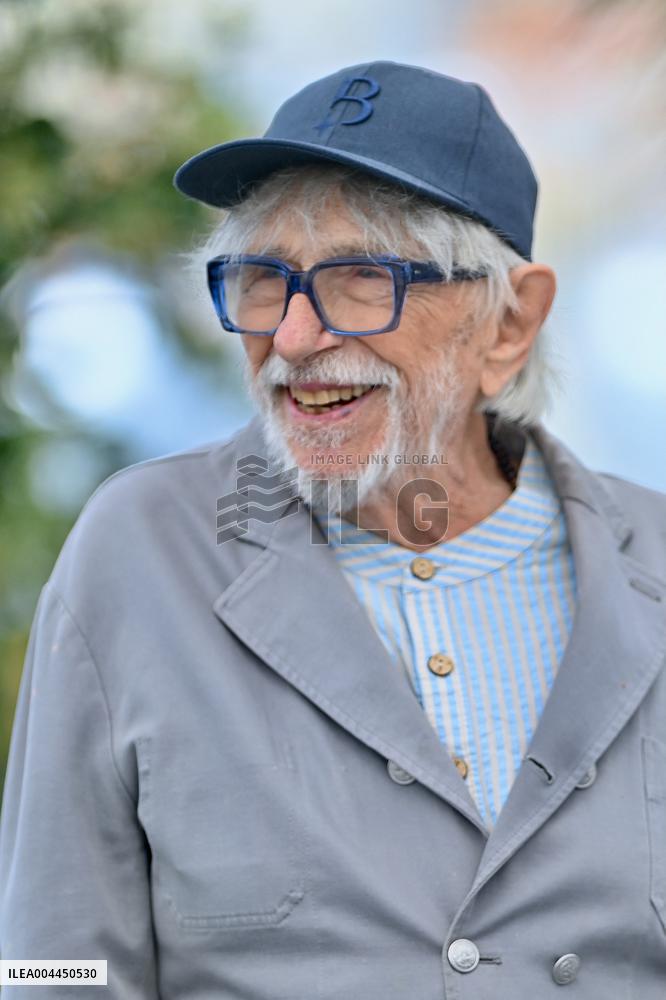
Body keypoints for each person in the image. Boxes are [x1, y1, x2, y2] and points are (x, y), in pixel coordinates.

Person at [1, 59, 665, 999]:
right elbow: (47, 964)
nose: (294, 337)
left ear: (509, 324)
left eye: (362, 279)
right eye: (263, 280)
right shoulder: (137, 555)